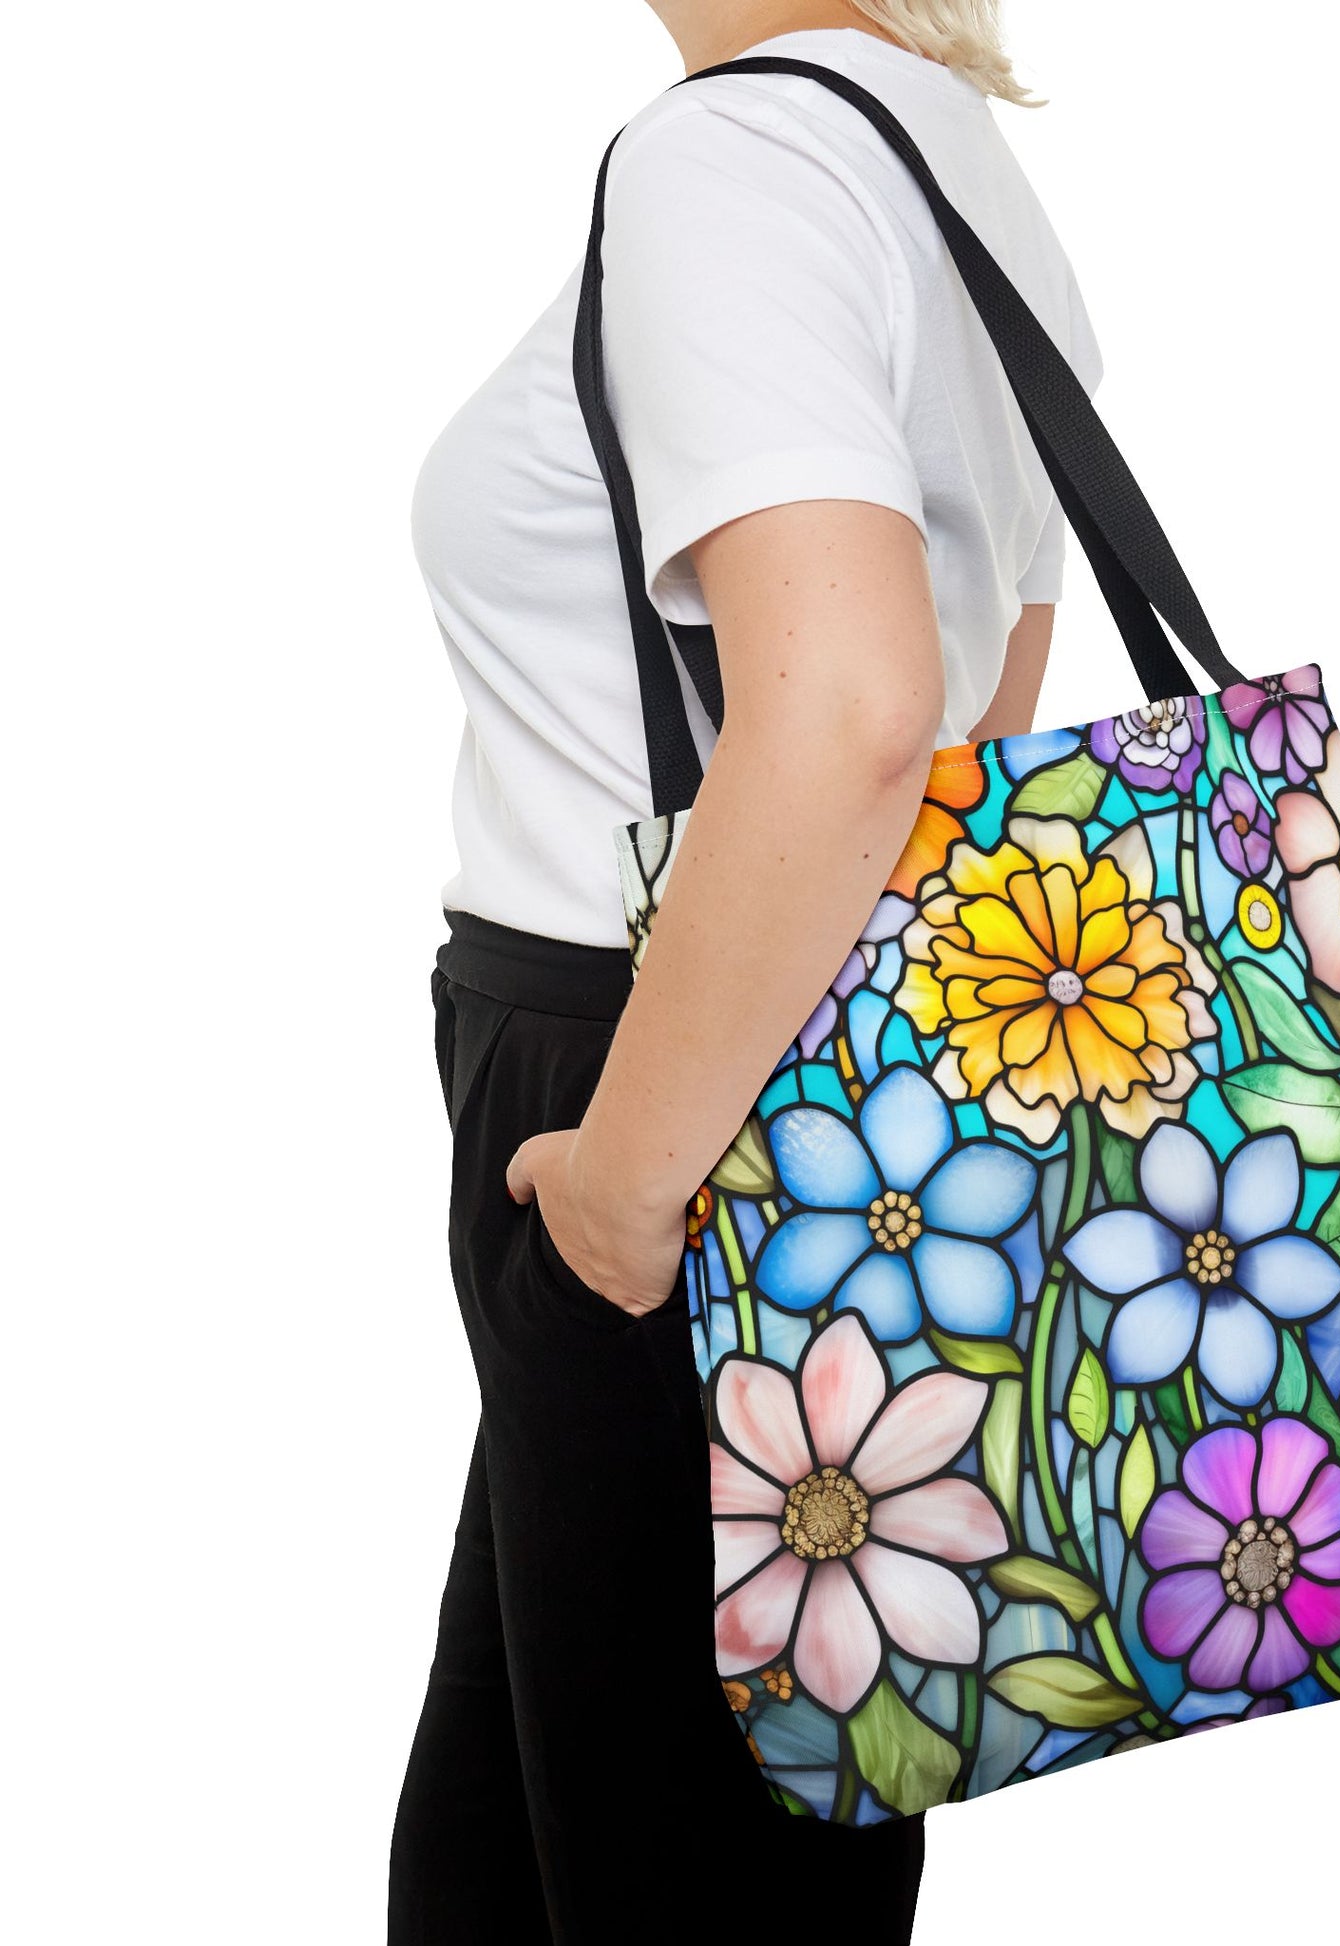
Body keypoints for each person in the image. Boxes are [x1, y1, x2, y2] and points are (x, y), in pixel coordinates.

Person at [390, 4, 1098, 1939]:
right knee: (551, 1855)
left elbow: (864, 711)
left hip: (659, 1096)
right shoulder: (938, 151)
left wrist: (621, 1195)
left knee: (656, 1880)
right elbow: (979, 718)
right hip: (805, 1064)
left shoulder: (733, 164)